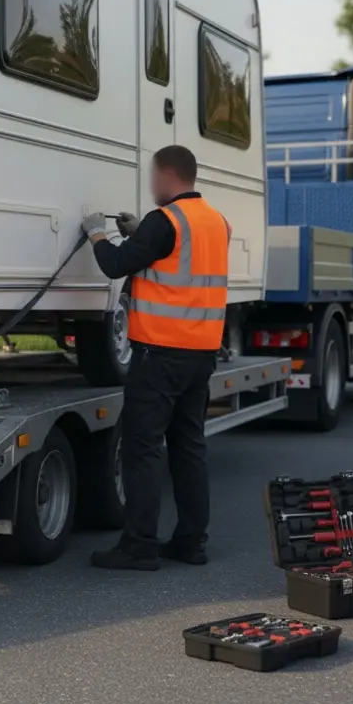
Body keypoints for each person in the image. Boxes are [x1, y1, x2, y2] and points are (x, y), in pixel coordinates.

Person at [79, 145, 230, 571]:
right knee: (189, 449)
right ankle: (190, 543)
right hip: (200, 356)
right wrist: (137, 232)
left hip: (160, 354)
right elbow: (171, 263)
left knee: (143, 448)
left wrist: (97, 233)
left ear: (166, 175)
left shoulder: (164, 222)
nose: (151, 185)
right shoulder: (216, 222)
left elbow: (116, 265)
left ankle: (139, 545)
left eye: (153, 176)